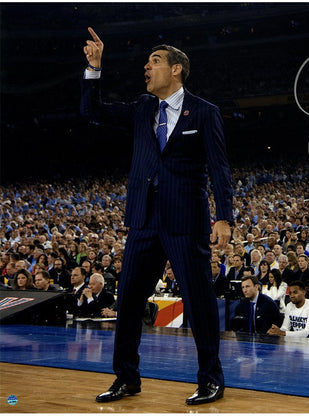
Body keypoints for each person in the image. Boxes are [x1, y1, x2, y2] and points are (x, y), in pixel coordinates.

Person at [82, 28, 233, 405]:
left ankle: (211, 379)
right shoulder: (142, 108)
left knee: (198, 302)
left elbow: (219, 169)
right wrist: (94, 69)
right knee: (130, 300)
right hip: (144, 221)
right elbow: (92, 112)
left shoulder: (204, 111)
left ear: (176, 69)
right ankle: (126, 378)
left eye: (155, 61)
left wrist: (224, 217)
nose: (146, 68)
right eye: (147, 63)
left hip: (186, 221)